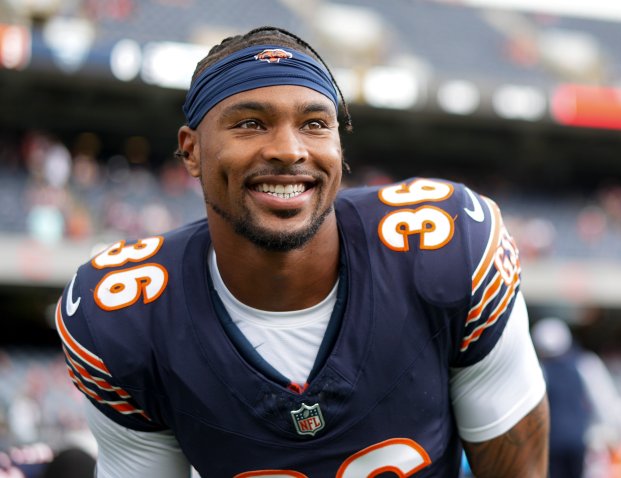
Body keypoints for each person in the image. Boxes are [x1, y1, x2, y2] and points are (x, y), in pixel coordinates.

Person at [55, 26, 549, 477]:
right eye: (250, 123)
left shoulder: (447, 247)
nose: (289, 150)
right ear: (192, 151)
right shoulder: (124, 314)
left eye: (315, 123)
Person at [531, 317, 621, 478]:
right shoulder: (585, 364)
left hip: (557, 442)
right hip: (575, 441)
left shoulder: (540, 369)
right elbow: (605, 401)